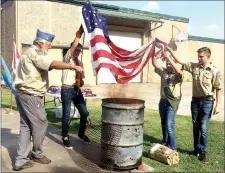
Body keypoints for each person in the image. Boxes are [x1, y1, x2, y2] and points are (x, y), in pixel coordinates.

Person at [13, 29, 83, 171]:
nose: (50, 47)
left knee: (26, 127)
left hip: (22, 94)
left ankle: (21, 160)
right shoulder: (36, 53)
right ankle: (37, 154)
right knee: (41, 124)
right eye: (49, 44)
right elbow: (52, 64)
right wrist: (72, 66)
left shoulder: (28, 52)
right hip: (31, 96)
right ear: (41, 43)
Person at [169, 47, 222, 162]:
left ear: (208, 57)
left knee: (203, 127)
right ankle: (196, 149)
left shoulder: (214, 70)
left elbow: (218, 88)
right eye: (198, 56)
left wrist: (218, 105)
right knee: (195, 126)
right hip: (195, 101)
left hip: (207, 101)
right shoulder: (194, 66)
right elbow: (179, 61)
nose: (199, 58)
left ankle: (203, 151)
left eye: (201, 56)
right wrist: (170, 52)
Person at [61, 25, 91, 150]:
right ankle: (65, 136)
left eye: (79, 51)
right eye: (76, 50)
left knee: (84, 112)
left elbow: (82, 78)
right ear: (71, 50)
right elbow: (73, 45)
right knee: (67, 115)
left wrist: (81, 83)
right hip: (67, 90)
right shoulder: (67, 59)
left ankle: (81, 133)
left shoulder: (81, 62)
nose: (77, 52)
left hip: (76, 90)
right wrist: (78, 35)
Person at [152, 45, 184, 151]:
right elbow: (155, 64)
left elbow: (178, 71)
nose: (168, 64)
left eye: (170, 62)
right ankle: (165, 141)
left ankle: (173, 147)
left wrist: (169, 57)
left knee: (170, 124)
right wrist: (154, 51)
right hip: (163, 101)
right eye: (167, 62)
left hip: (173, 101)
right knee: (164, 123)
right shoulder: (164, 72)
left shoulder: (178, 74)